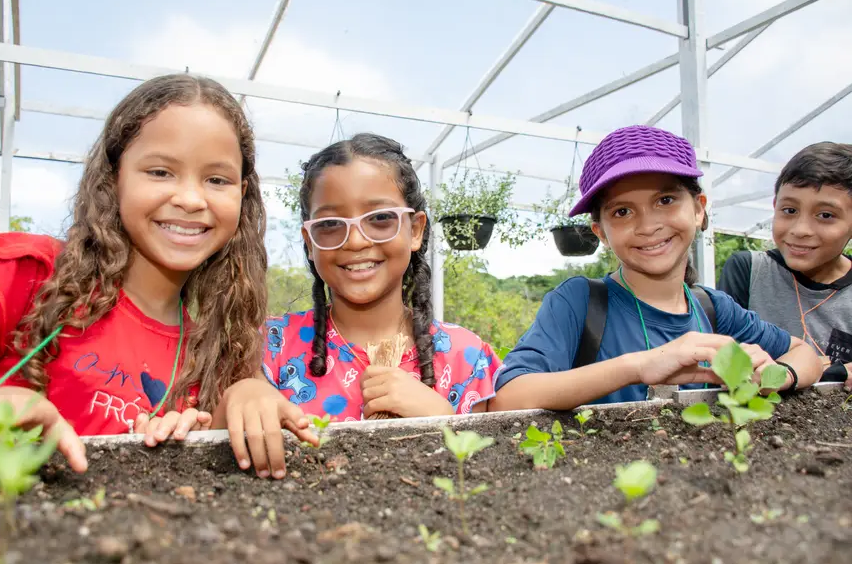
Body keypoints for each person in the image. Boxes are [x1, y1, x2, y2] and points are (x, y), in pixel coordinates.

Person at [0, 74, 268, 469]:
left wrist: (186, 452)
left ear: (240, 194)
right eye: (160, 172)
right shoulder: (25, 273)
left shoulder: (216, 357)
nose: (191, 199)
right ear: (113, 177)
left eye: (216, 180)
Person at [214, 133, 498, 479]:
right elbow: (211, 463)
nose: (357, 240)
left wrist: (444, 421)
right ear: (309, 243)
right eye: (330, 225)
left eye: (380, 219)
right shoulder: (267, 348)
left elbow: (488, 478)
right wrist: (241, 394)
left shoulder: (465, 357)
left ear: (415, 230)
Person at [491, 125, 822, 411]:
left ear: (698, 209)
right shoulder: (579, 301)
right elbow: (507, 398)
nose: (648, 226)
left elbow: (804, 353)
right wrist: (638, 366)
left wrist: (776, 375)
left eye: (665, 200)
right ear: (601, 232)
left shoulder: (714, 309)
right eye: (622, 212)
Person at [719, 142, 852, 390]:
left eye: (825, 215)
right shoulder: (749, 271)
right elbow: (725, 361)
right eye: (789, 210)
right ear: (775, 206)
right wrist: (832, 370)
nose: (800, 230)